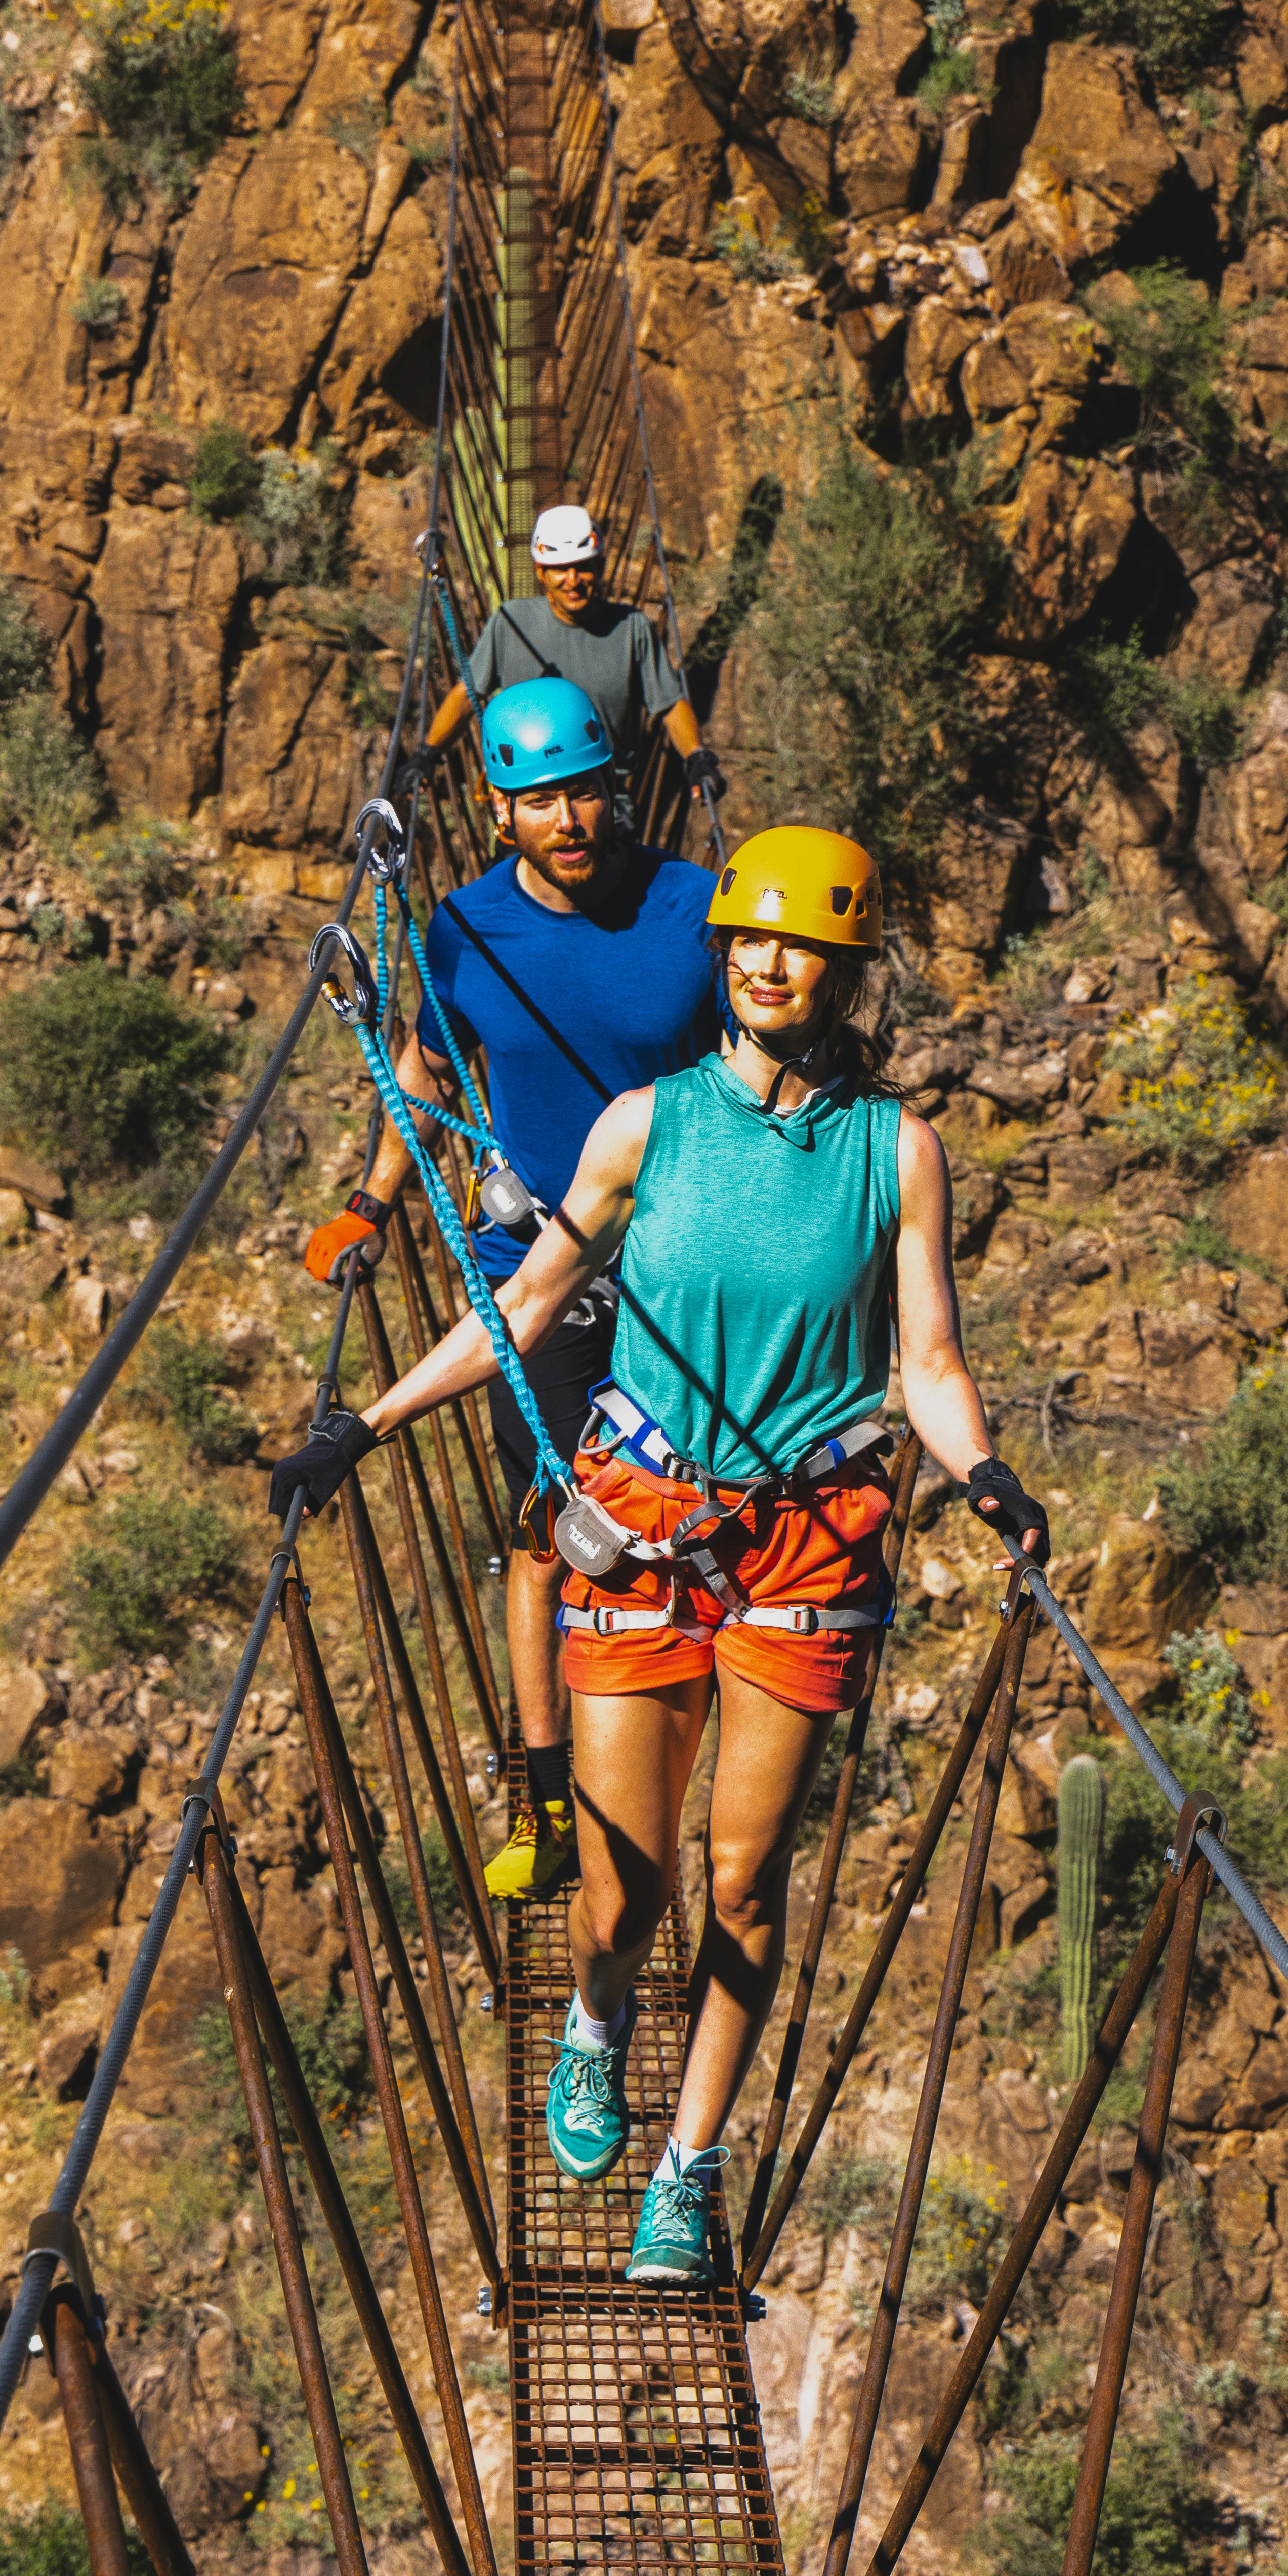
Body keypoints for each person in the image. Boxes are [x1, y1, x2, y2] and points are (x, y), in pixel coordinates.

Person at [271, 824, 1053, 2287]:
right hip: (642, 1519)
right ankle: (593, 2029)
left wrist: (989, 1473)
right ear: (724, 955)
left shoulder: (898, 1151)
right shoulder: (645, 1125)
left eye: (799, 944)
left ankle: (688, 2170)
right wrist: (365, 1424)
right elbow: (531, 1296)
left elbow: (929, 1358)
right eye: (749, 939)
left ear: (839, 968)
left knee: (744, 1881)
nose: (767, 963)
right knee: (623, 1887)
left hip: (808, 1544)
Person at [297, 674, 726, 1905]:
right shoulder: (460, 930)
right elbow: (427, 1071)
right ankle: (550, 1800)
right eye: (541, 800)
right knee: (551, 1529)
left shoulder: (700, 909)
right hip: (536, 1264)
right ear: (497, 810)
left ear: (618, 787)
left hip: (677, 1258)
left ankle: (650, 1785)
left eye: (587, 790)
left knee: (683, 1517)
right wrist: (375, 1200)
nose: (572, 818)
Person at [422, 503, 725, 817]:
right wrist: (428, 753)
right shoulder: (510, 623)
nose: (573, 579)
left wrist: (696, 756)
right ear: (541, 572)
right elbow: (467, 695)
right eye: (560, 569)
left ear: (600, 567)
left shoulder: (632, 629)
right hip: (529, 795)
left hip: (602, 797)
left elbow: (670, 704)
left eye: (583, 567)